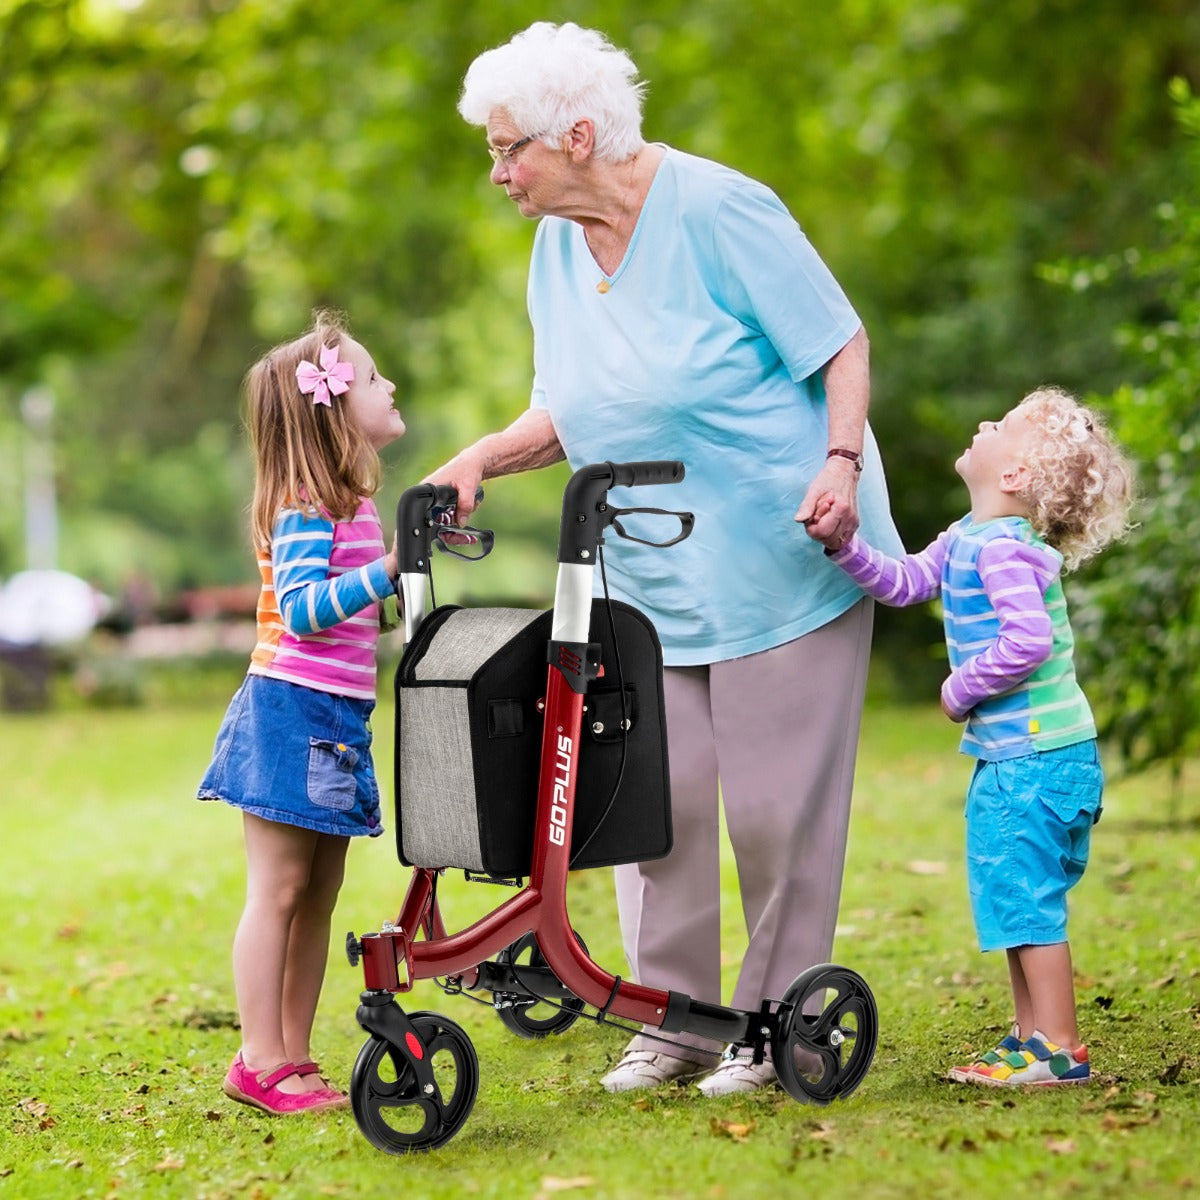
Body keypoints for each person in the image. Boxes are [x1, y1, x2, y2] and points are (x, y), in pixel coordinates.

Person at [431, 21, 904, 1096]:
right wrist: (479, 458)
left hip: (786, 550)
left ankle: (778, 1027)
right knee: (657, 801)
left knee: (780, 811)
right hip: (652, 575)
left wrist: (838, 464)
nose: (500, 173)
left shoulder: (722, 210)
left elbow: (840, 343)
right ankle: (676, 1021)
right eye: (495, 152)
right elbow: (568, 410)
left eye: (513, 151)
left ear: (581, 133)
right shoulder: (557, 246)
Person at [808, 386, 1134, 1086]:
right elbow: (901, 584)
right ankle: (1029, 1039)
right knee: (1014, 898)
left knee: (1028, 899)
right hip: (1022, 758)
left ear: (1013, 475)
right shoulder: (967, 537)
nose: (984, 422)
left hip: (1037, 760)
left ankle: (1059, 1049)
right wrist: (844, 546)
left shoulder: (1007, 552)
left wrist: (961, 690)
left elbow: (1027, 641)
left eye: (1003, 425)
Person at [198, 311, 405, 1114]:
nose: (390, 387)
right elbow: (305, 607)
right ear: (335, 405)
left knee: (317, 893)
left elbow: (360, 615)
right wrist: (388, 572)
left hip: (338, 715)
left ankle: (294, 1054)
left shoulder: (353, 501)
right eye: (375, 376)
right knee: (279, 890)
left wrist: (401, 576)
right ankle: (258, 1057)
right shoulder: (303, 501)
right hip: (290, 708)